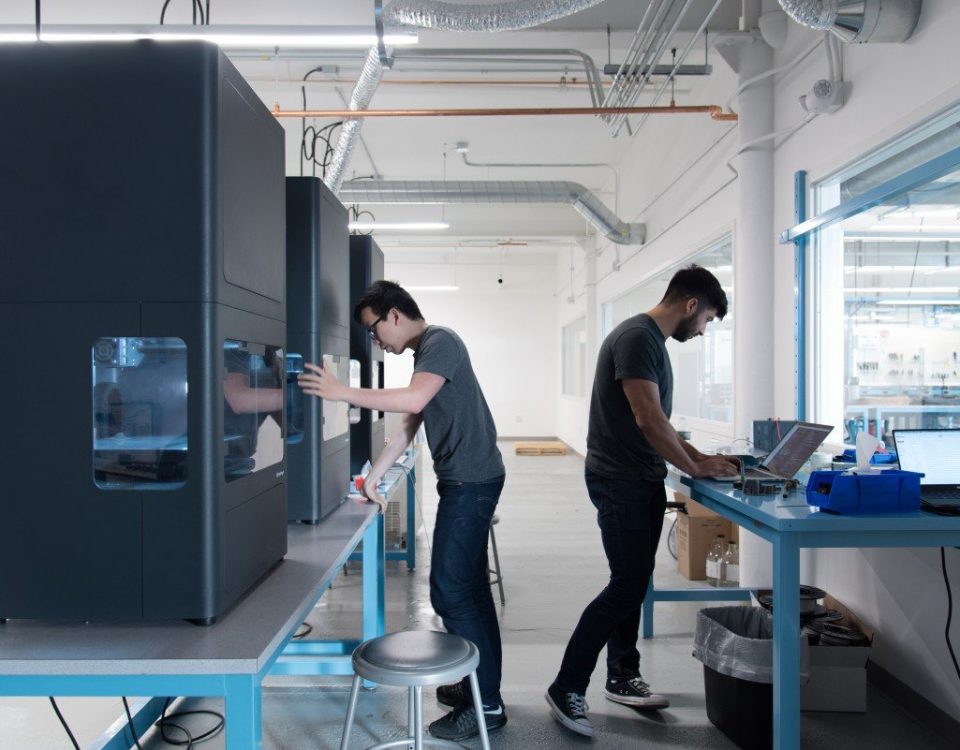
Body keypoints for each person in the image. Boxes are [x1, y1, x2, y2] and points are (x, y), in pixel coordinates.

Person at [298, 280, 507, 742]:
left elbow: (411, 401)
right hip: (469, 478)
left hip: (472, 482)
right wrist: (376, 473)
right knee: (469, 591)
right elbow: (414, 417)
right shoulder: (426, 353)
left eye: (374, 330)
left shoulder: (441, 341)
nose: (376, 341)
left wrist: (341, 392)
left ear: (394, 315)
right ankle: (479, 683)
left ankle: (487, 704)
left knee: (450, 590)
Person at [546, 265, 739, 737]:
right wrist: (693, 468)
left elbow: (660, 424)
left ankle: (622, 674)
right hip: (620, 480)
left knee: (633, 580)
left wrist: (700, 455)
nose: (704, 330)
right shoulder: (637, 338)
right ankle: (566, 685)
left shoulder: (648, 340)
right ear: (691, 305)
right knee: (627, 585)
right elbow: (647, 417)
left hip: (638, 477)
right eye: (708, 320)